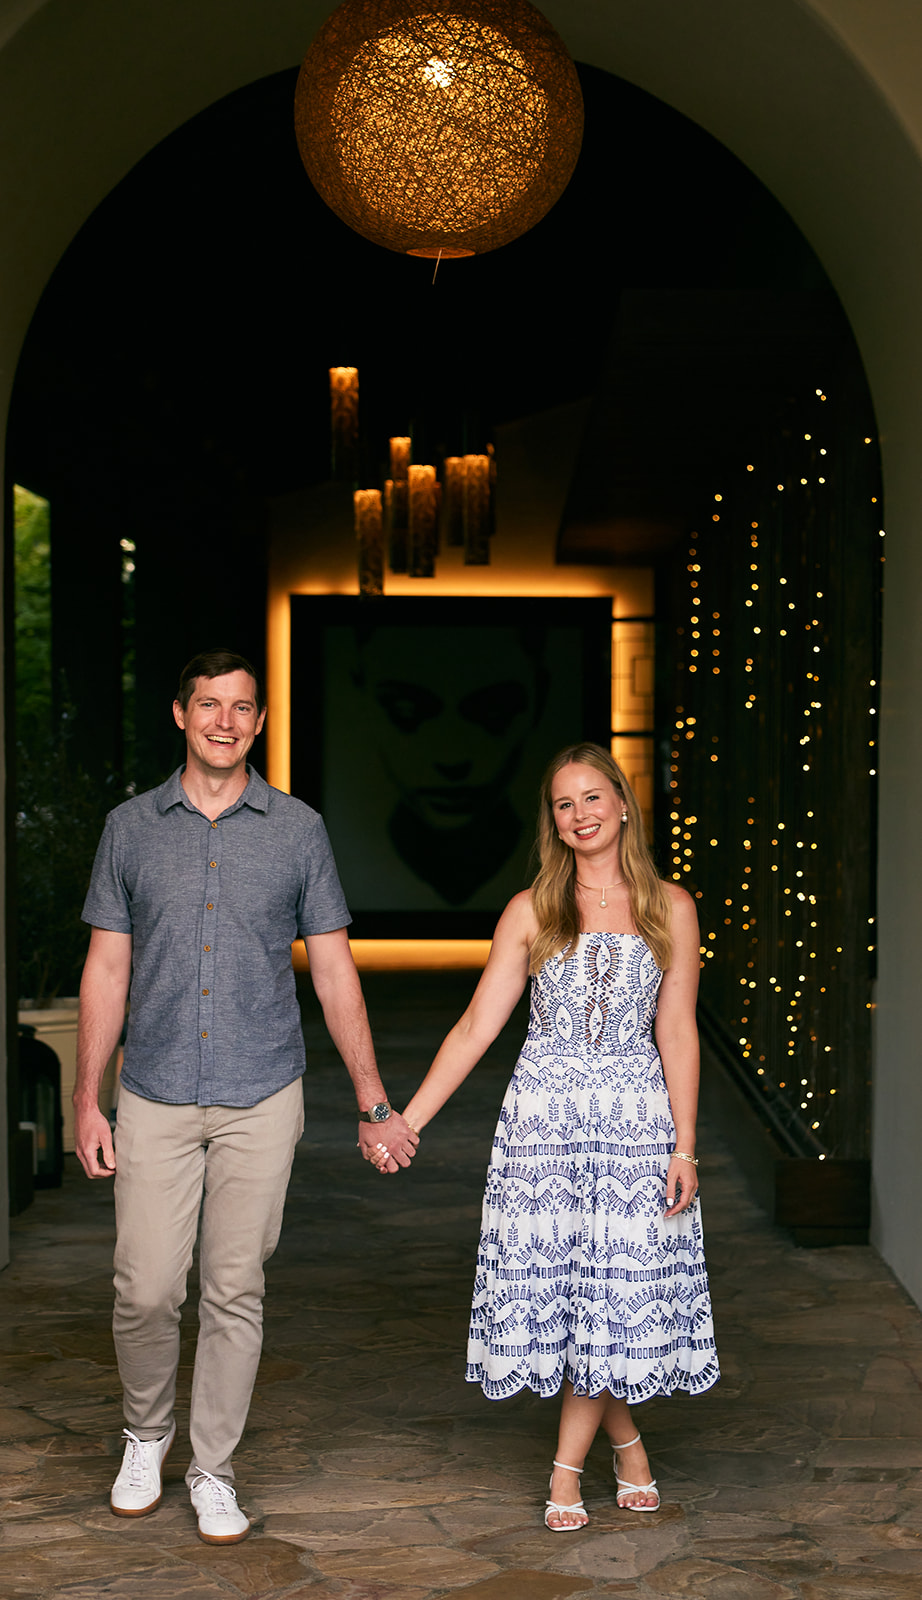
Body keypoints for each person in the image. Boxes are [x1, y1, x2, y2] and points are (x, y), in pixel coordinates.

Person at [73, 648, 417, 1544]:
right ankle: (145, 1435)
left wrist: (374, 1100)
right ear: (180, 716)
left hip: (264, 1090)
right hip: (152, 1089)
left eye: (243, 708)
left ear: (260, 723)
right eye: (209, 706)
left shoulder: (298, 830)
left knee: (234, 1288)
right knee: (146, 1289)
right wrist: (87, 1097)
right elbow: (107, 966)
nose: (226, 721)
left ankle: (212, 1468)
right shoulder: (130, 828)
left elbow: (336, 971)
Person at [395, 741, 719, 1530]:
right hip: (544, 1128)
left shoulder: (670, 907)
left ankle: (568, 1467)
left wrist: (684, 1144)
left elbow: (677, 1031)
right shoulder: (531, 910)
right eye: (563, 804)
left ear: (622, 803)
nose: (579, 815)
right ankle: (620, 1449)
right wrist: (407, 1121)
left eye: (592, 798)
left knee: (615, 1293)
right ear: (554, 821)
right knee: (575, 1300)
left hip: (636, 1126)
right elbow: (476, 1027)